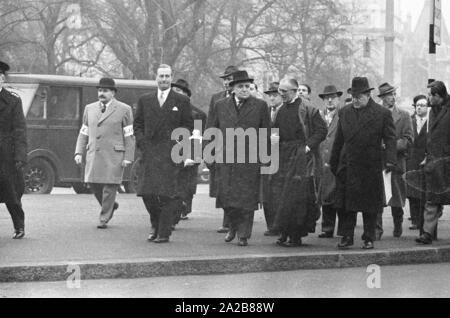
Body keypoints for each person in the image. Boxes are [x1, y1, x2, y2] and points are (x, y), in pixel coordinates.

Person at [330, 77, 397, 250]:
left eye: (358, 97)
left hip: (370, 165)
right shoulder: (344, 112)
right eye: (353, 96)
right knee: (345, 205)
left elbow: (390, 139)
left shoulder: (382, 114)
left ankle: (369, 237)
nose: (355, 100)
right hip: (348, 165)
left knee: (370, 206)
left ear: (368, 95)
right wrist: (333, 162)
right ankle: (346, 236)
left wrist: (390, 161)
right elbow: (339, 140)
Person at [207, 70, 270, 247]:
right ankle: (233, 227)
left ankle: (243, 234)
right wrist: (209, 155)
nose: (244, 89)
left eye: (247, 86)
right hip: (225, 159)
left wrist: (264, 159)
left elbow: (265, 133)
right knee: (227, 199)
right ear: (232, 88)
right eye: (240, 86)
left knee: (247, 201)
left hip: (249, 160)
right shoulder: (220, 105)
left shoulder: (260, 106)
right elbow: (211, 130)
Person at [134, 64, 194, 244]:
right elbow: (138, 125)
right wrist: (142, 142)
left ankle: (163, 232)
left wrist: (179, 147)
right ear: (156, 78)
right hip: (149, 153)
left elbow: (188, 126)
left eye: (167, 76)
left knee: (168, 195)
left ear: (171, 78)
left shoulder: (181, 101)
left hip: (170, 154)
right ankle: (155, 224)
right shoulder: (145, 100)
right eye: (161, 76)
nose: (164, 80)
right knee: (147, 193)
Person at [272, 78, 327, 247]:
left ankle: (295, 236)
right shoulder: (280, 110)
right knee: (282, 195)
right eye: (280, 91)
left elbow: (321, 130)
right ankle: (284, 232)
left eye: (284, 91)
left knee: (297, 198)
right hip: (284, 156)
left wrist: (308, 147)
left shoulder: (309, 109)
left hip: (301, 158)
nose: (281, 94)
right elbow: (276, 130)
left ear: (295, 91)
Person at [75, 78, 135, 229]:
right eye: (100, 90)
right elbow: (84, 132)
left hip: (114, 155)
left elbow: (129, 135)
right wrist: (78, 152)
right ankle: (110, 205)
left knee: (110, 186)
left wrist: (128, 157)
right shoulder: (89, 108)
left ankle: (104, 218)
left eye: (106, 91)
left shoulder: (124, 109)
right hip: (94, 153)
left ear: (113, 93)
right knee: (93, 184)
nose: (102, 93)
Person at [376, 83, 414, 239]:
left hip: (397, 162)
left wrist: (390, 146)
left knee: (397, 198)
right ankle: (377, 230)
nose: (393, 97)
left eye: (393, 94)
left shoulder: (404, 115)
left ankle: (397, 227)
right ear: (383, 98)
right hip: (379, 162)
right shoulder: (375, 114)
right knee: (377, 197)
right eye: (389, 95)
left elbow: (409, 139)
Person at [416, 81, 450, 245]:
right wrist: (427, 156)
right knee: (432, 199)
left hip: (447, 163)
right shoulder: (431, 112)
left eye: (430, 95)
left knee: (439, 198)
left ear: (439, 96)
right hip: (434, 162)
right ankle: (427, 233)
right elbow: (430, 137)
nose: (428, 98)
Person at [206, 65, 239, 234]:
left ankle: (233, 221)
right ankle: (227, 220)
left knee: (236, 186)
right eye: (225, 79)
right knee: (224, 186)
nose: (227, 82)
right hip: (221, 147)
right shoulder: (216, 98)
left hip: (240, 146)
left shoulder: (244, 97)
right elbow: (211, 123)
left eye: (230, 79)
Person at [171, 79, 207, 223]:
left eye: (179, 91)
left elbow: (198, 137)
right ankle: (176, 208)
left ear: (186, 95)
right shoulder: (168, 110)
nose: (175, 94)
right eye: (174, 91)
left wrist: (195, 155)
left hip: (190, 150)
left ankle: (185, 208)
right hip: (171, 150)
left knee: (188, 183)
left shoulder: (197, 114)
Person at [0, 60, 27, 239]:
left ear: (2, 78)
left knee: (10, 192)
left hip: (5, 155)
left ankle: (19, 225)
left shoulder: (13, 101)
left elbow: (19, 130)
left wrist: (20, 156)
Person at [317, 85, 345, 239]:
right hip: (322, 161)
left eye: (332, 97)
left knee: (339, 197)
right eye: (326, 98)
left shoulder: (343, 116)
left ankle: (342, 230)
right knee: (326, 196)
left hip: (338, 161)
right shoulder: (319, 116)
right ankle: (327, 228)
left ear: (338, 99)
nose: (329, 100)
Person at [262, 82, 282, 237]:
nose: (272, 98)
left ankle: (279, 224)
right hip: (267, 156)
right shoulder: (265, 111)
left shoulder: (286, 111)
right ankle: (271, 225)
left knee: (279, 191)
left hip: (283, 156)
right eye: (270, 95)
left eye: (275, 95)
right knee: (267, 191)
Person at [406, 95, 428, 232]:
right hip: (412, 160)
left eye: (422, 105)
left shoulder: (431, 122)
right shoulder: (411, 120)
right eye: (417, 105)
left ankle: (423, 220)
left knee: (423, 193)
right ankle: (415, 220)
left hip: (425, 160)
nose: (419, 107)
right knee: (412, 193)